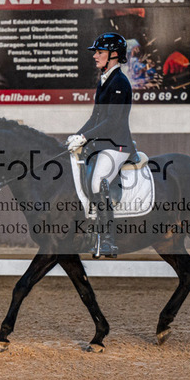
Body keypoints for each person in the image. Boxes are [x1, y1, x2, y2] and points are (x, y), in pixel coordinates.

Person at [66, 32, 137, 257]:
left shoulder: (120, 82)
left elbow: (112, 121)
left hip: (118, 145)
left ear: (114, 55)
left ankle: (108, 240)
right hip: (103, 143)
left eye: (100, 52)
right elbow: (95, 117)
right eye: (95, 52)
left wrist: (85, 138)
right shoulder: (104, 80)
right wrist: (77, 136)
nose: (95, 56)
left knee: (98, 182)